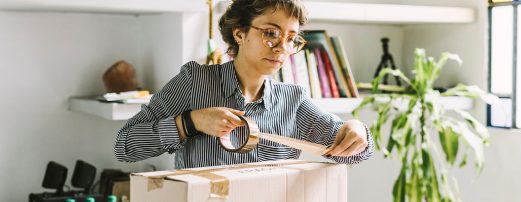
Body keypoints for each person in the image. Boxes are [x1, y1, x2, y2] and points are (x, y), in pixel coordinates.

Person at [114, 0, 373, 169]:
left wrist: (357, 129)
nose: (282, 48)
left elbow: (354, 152)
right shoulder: (194, 82)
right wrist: (191, 122)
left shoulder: (294, 101)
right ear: (240, 33)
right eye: (271, 33)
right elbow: (124, 146)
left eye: (291, 39)